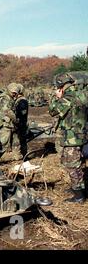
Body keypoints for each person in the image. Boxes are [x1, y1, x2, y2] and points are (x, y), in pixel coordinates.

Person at [49, 73, 88, 203]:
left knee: (71, 165)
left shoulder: (68, 97)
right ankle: (79, 188)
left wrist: (56, 98)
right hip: (81, 134)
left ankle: (79, 195)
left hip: (72, 137)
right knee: (78, 163)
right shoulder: (82, 94)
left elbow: (53, 111)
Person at [0, 83, 18, 162]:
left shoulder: (3, 96)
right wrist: (16, 120)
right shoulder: (7, 98)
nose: (14, 94)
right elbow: (8, 111)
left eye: (15, 93)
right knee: (3, 145)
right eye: (13, 92)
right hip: (4, 124)